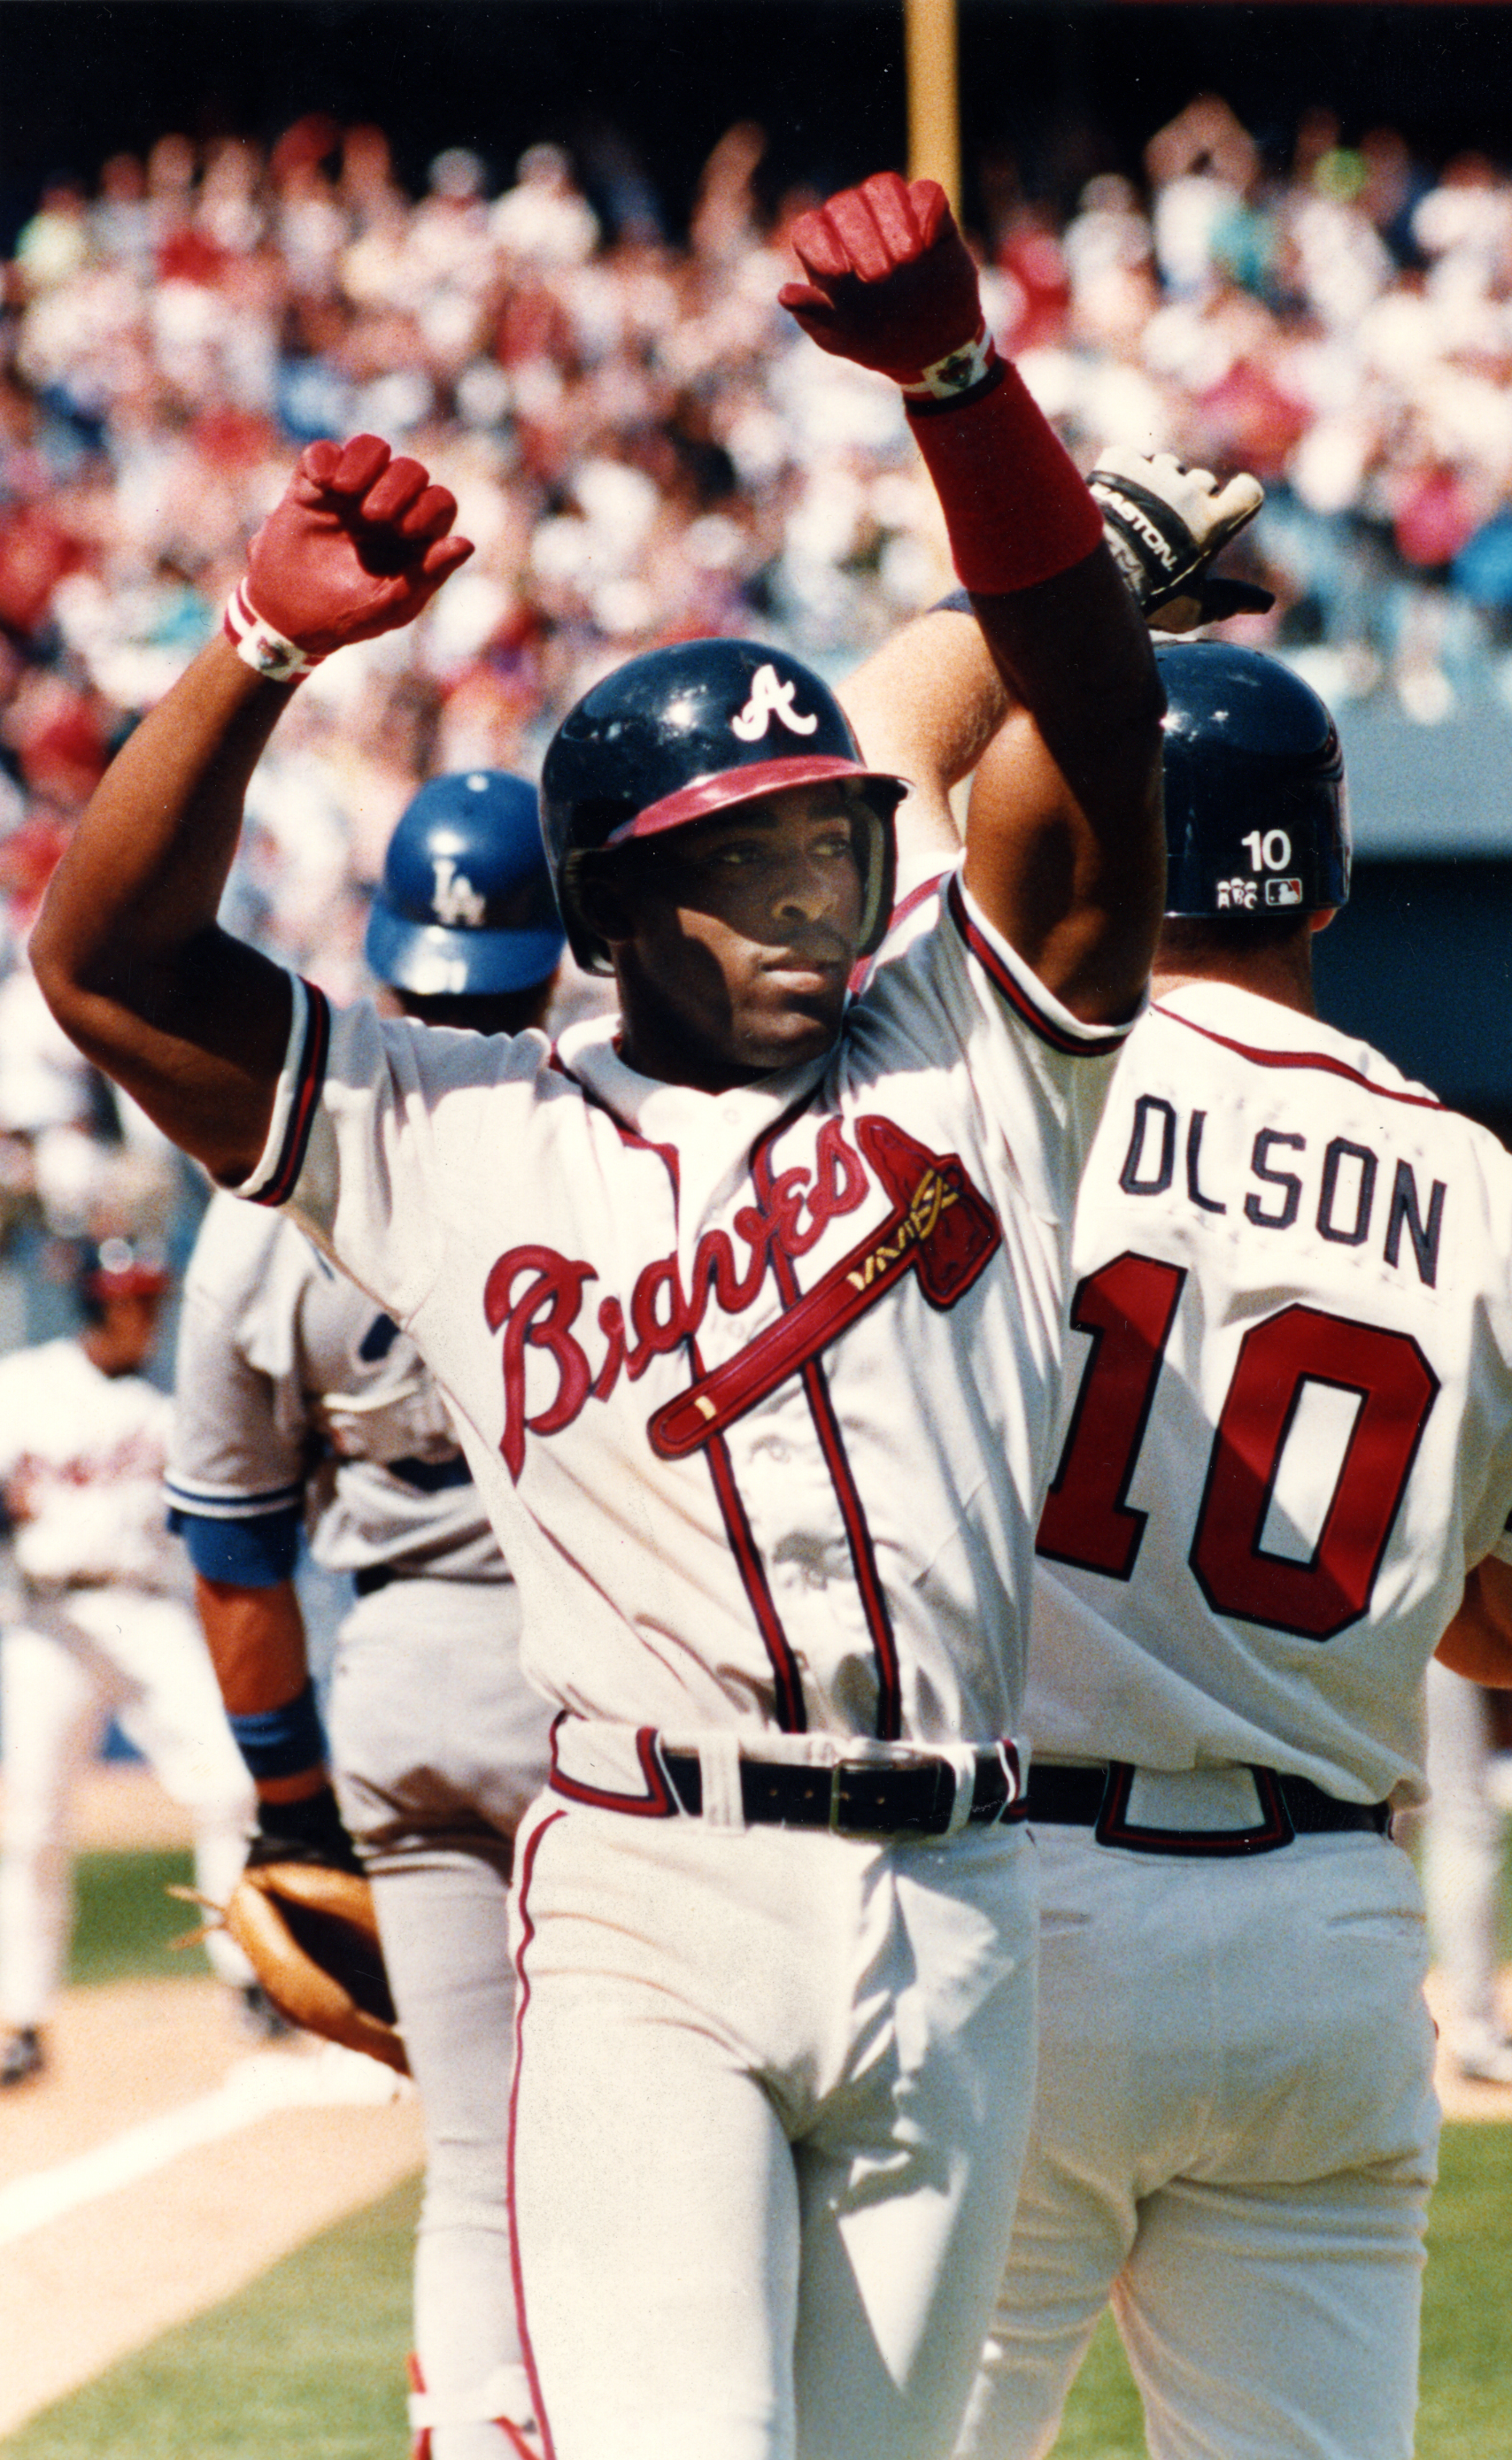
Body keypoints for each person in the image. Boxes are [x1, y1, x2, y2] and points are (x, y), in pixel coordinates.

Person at [27, 170, 1263, 2459]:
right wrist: (257, 654)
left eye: (830, 842)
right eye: (743, 863)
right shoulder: (460, 1125)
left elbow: (1091, 741)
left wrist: (961, 392)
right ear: (615, 905)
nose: (811, 896)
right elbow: (105, 964)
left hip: (957, 1886)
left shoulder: (970, 1050)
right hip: (651, 1891)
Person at [899, 635, 1512, 2460]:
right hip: (1315, 1922)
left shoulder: (993, 1069)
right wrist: (1340, 1574)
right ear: (1321, 868)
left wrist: (1041, 601)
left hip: (1015, 1893)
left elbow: (891, 744)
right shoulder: (1490, 1195)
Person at [165, 771, 565, 2458]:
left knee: (475, 2160)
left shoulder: (268, 1193)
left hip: (404, 1681)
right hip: (599, 1681)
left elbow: (236, 1543)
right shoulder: (615, 1125)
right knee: (670, 2124)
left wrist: (283, 1800)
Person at [0, 1237, 261, 2086]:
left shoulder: (166, 1407)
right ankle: (22, 2019)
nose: (145, 1312)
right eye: (129, 1298)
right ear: (92, 1303)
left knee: (229, 1783)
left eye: (150, 1297)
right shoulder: (25, 1386)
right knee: (34, 1826)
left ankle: (250, 1978)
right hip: (50, 1620)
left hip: (146, 1612)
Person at [1407, 1658, 1512, 2083]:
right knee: (1463, 1822)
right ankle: (1478, 2035)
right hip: (1434, 1636)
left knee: (1371, 1825)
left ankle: (1350, 2026)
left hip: (1339, 1634)